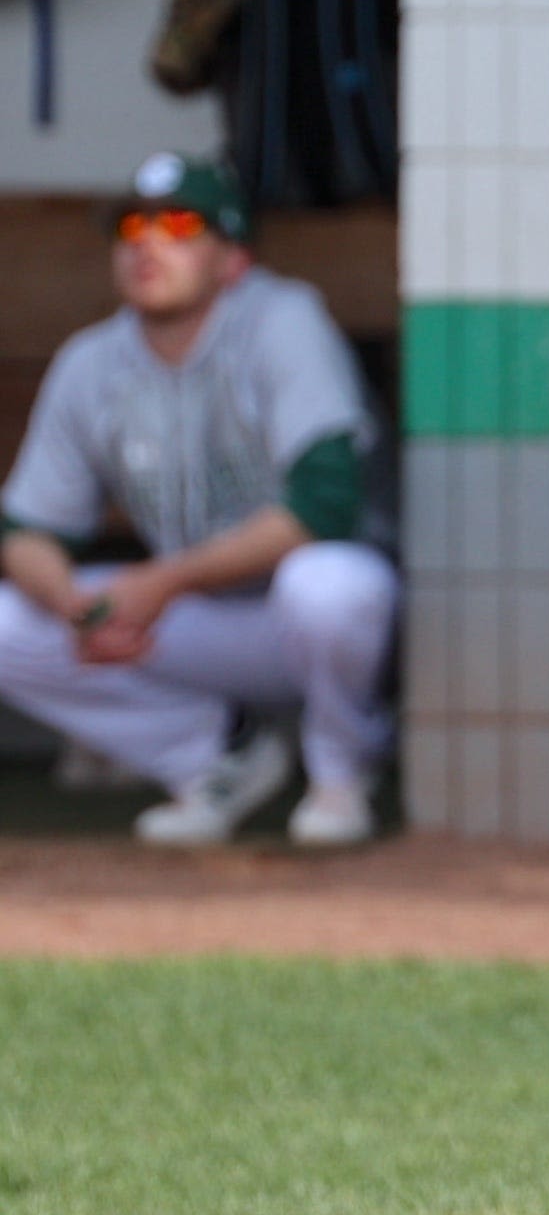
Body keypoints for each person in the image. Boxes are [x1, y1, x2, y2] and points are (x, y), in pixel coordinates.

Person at [0, 151, 396, 848]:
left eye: (180, 225)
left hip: (306, 614)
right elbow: (26, 530)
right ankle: (215, 758)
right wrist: (75, 606)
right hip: (194, 620)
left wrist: (161, 579)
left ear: (233, 258)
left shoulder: (282, 318)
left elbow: (325, 504)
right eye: (134, 226)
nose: (149, 243)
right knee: (9, 621)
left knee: (329, 585)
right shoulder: (92, 361)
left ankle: (341, 772)